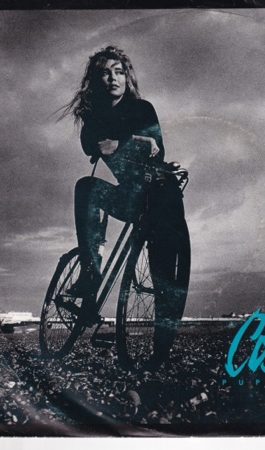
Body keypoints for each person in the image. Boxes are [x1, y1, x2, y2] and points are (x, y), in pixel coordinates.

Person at [61, 45, 166, 297]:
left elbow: (158, 151)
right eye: (105, 73)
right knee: (85, 187)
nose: (113, 78)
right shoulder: (94, 117)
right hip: (127, 199)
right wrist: (137, 140)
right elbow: (91, 145)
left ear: (127, 77)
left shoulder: (143, 109)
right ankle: (90, 271)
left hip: (155, 195)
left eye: (119, 72)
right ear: (97, 80)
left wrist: (121, 142)